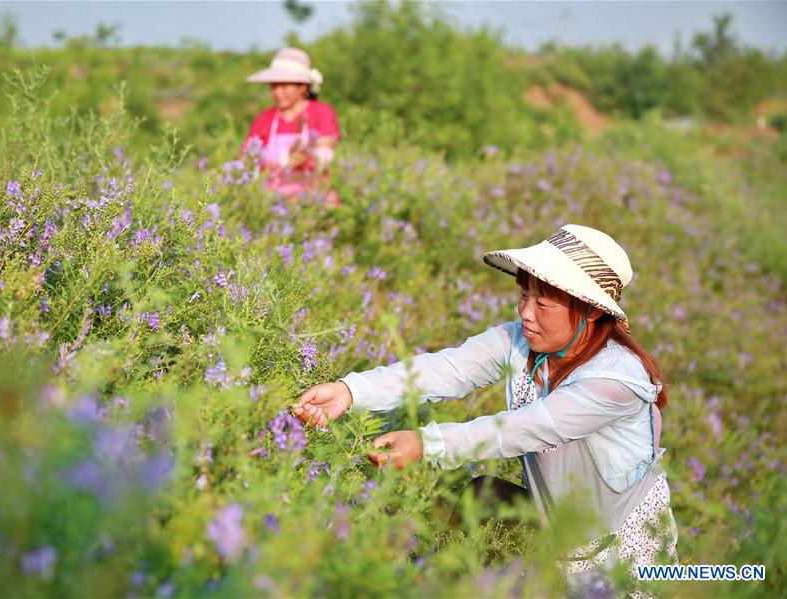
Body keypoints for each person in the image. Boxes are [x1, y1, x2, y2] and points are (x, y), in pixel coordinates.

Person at [293, 224, 678, 585]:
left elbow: (527, 428)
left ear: (592, 310)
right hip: (552, 521)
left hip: (612, 553)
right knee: (480, 500)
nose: (526, 313)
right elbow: (446, 370)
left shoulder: (617, 381)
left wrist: (428, 444)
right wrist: (350, 391)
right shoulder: (524, 343)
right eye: (524, 296)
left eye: (543, 304)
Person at [244, 47, 340, 204]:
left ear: (302, 86)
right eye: (274, 86)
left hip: (314, 201)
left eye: (284, 86)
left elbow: (326, 153)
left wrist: (307, 159)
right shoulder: (264, 119)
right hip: (273, 203)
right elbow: (246, 160)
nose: (277, 92)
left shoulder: (321, 112)